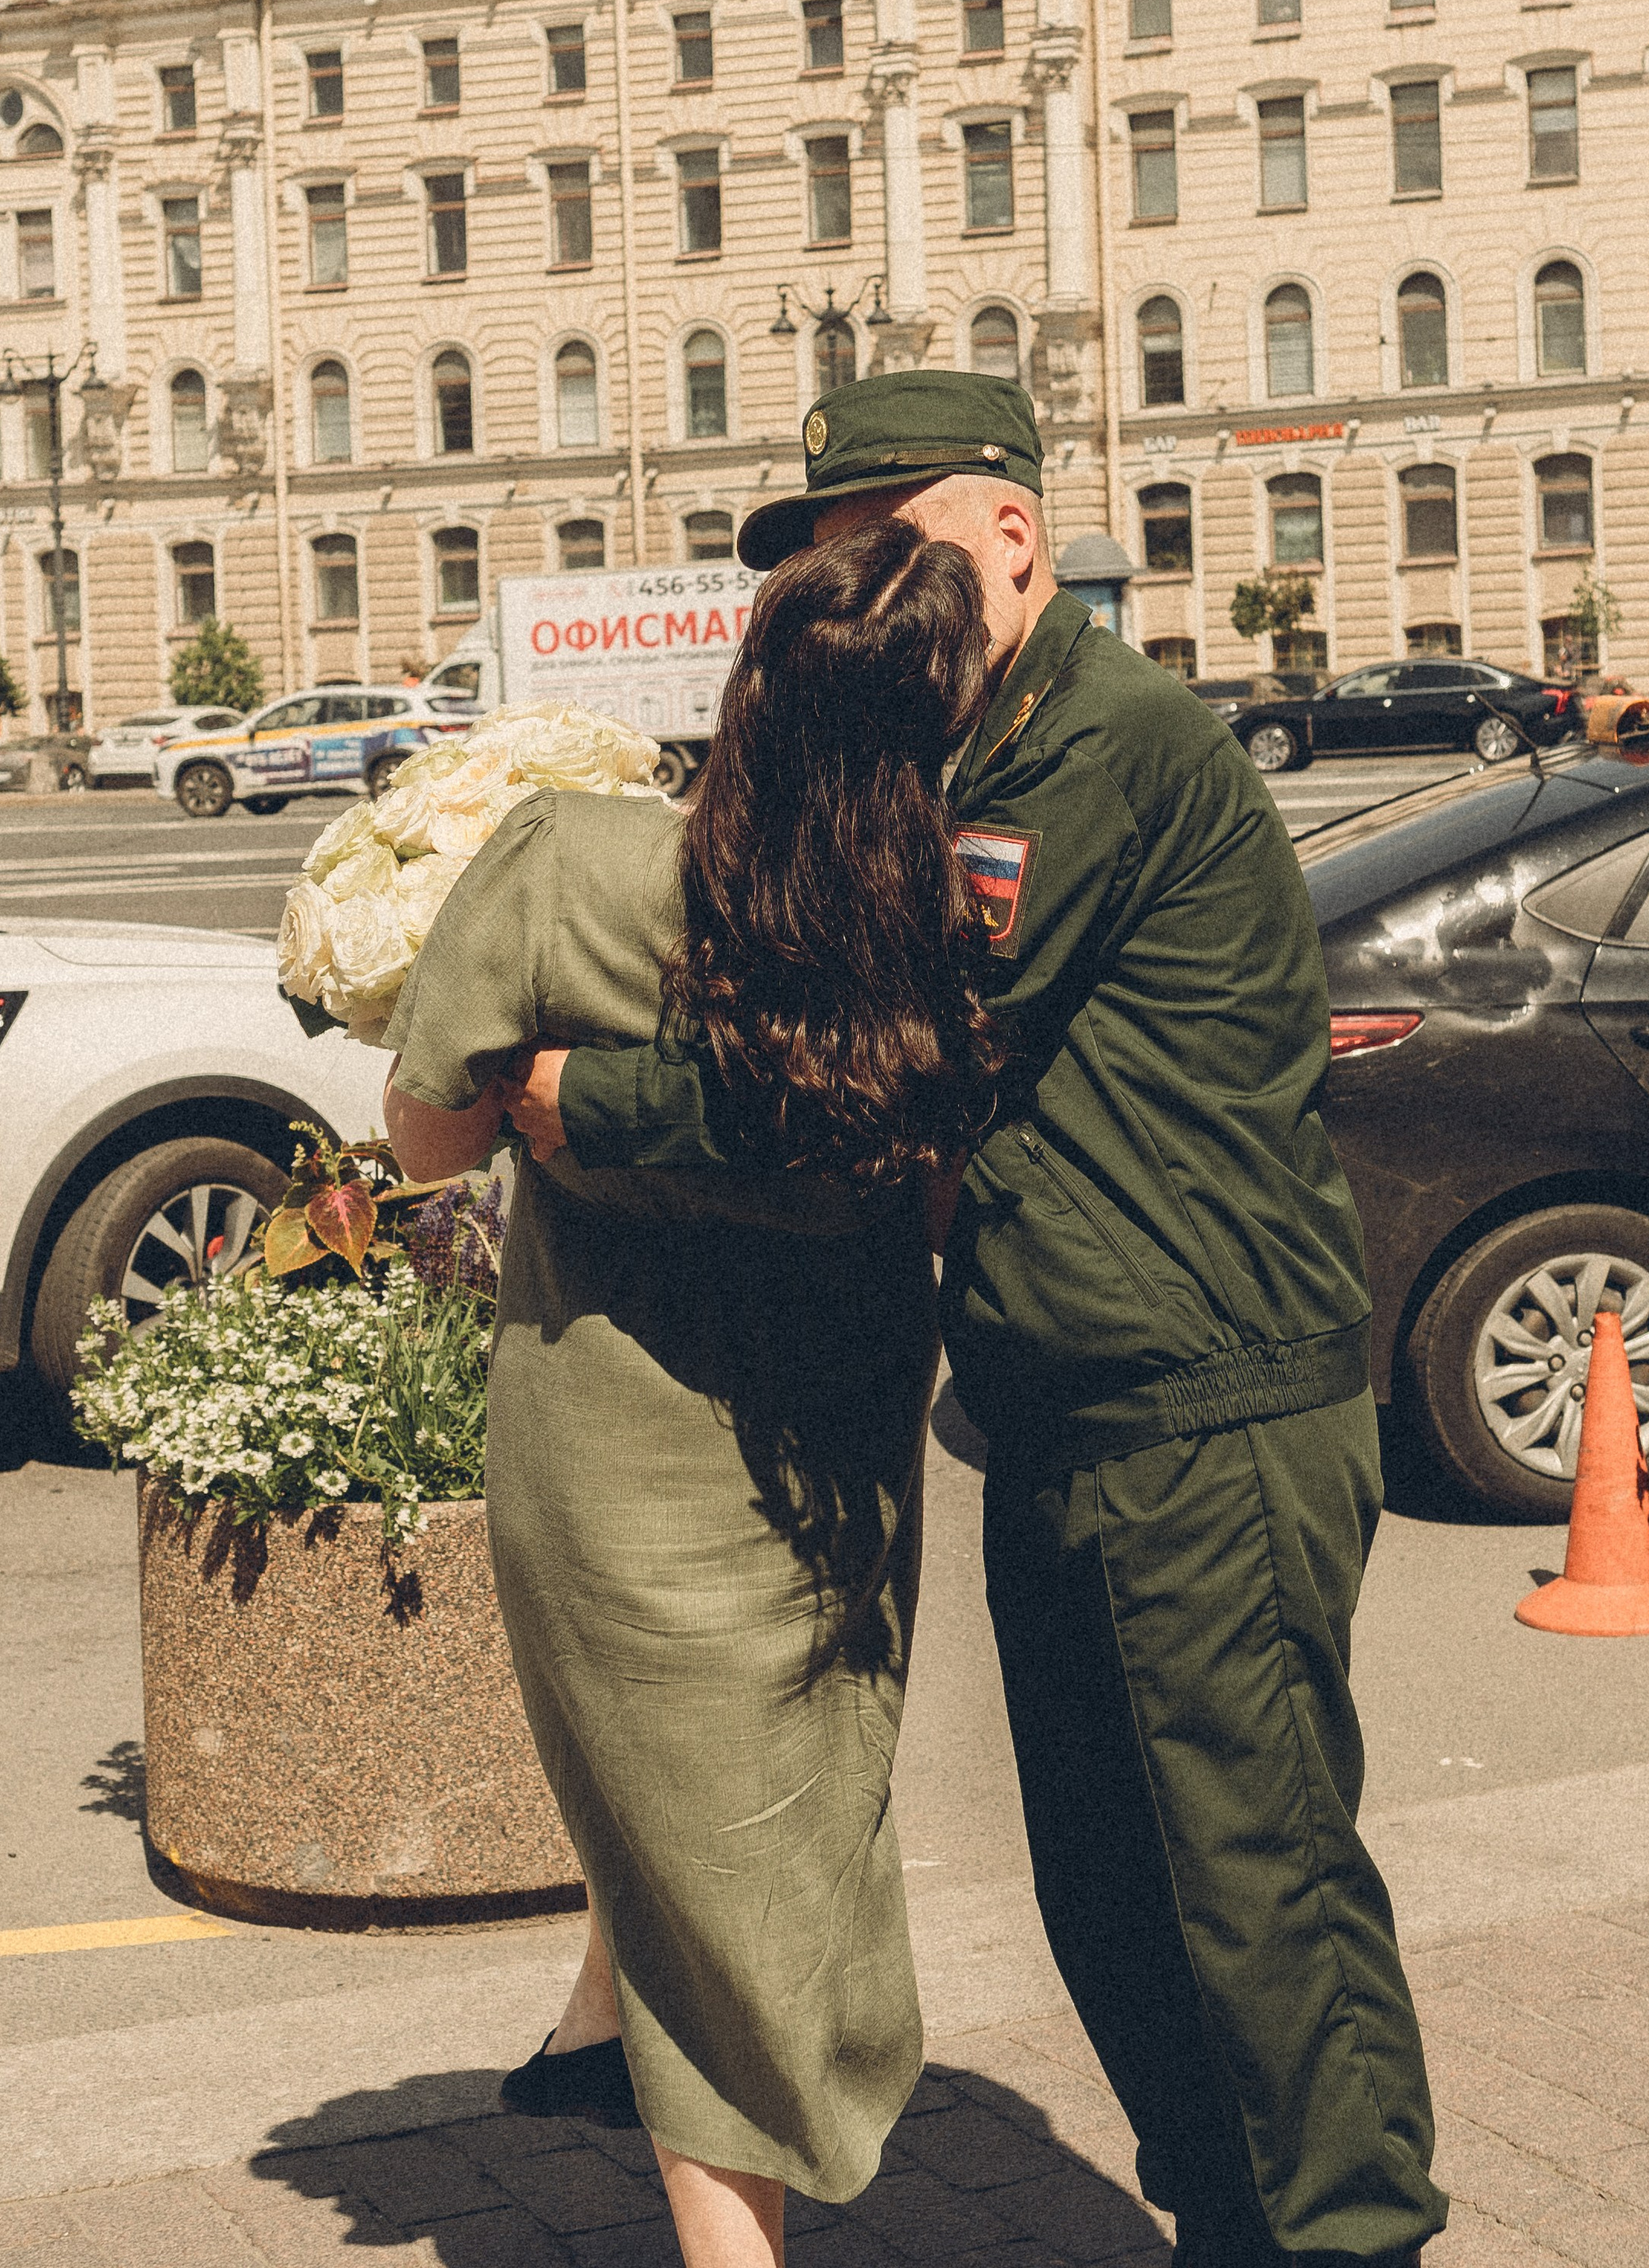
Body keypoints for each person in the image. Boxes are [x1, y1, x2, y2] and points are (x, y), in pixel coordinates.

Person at [505, 373, 1447, 2268]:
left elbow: (871, 1066)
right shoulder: (952, 757)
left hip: (1207, 1413)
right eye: (822, 564)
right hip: (1060, 1412)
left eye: (884, 543)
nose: (856, 588)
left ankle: (1346, 2239)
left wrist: (561, 1102)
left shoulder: (1084, 754)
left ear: (1011, 537)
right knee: (1113, 1889)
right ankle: (1231, 2224)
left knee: (1255, 1885)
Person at [384, 519, 1003, 2268]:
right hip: (830, 1448)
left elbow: (421, 1143)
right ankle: (620, 2036)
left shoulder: (566, 858)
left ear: (740, 691)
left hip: (604, 1459)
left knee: (687, 1814)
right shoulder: (929, 933)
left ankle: (707, 2197)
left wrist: (544, 1091)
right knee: (771, 1810)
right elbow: (936, 1190)